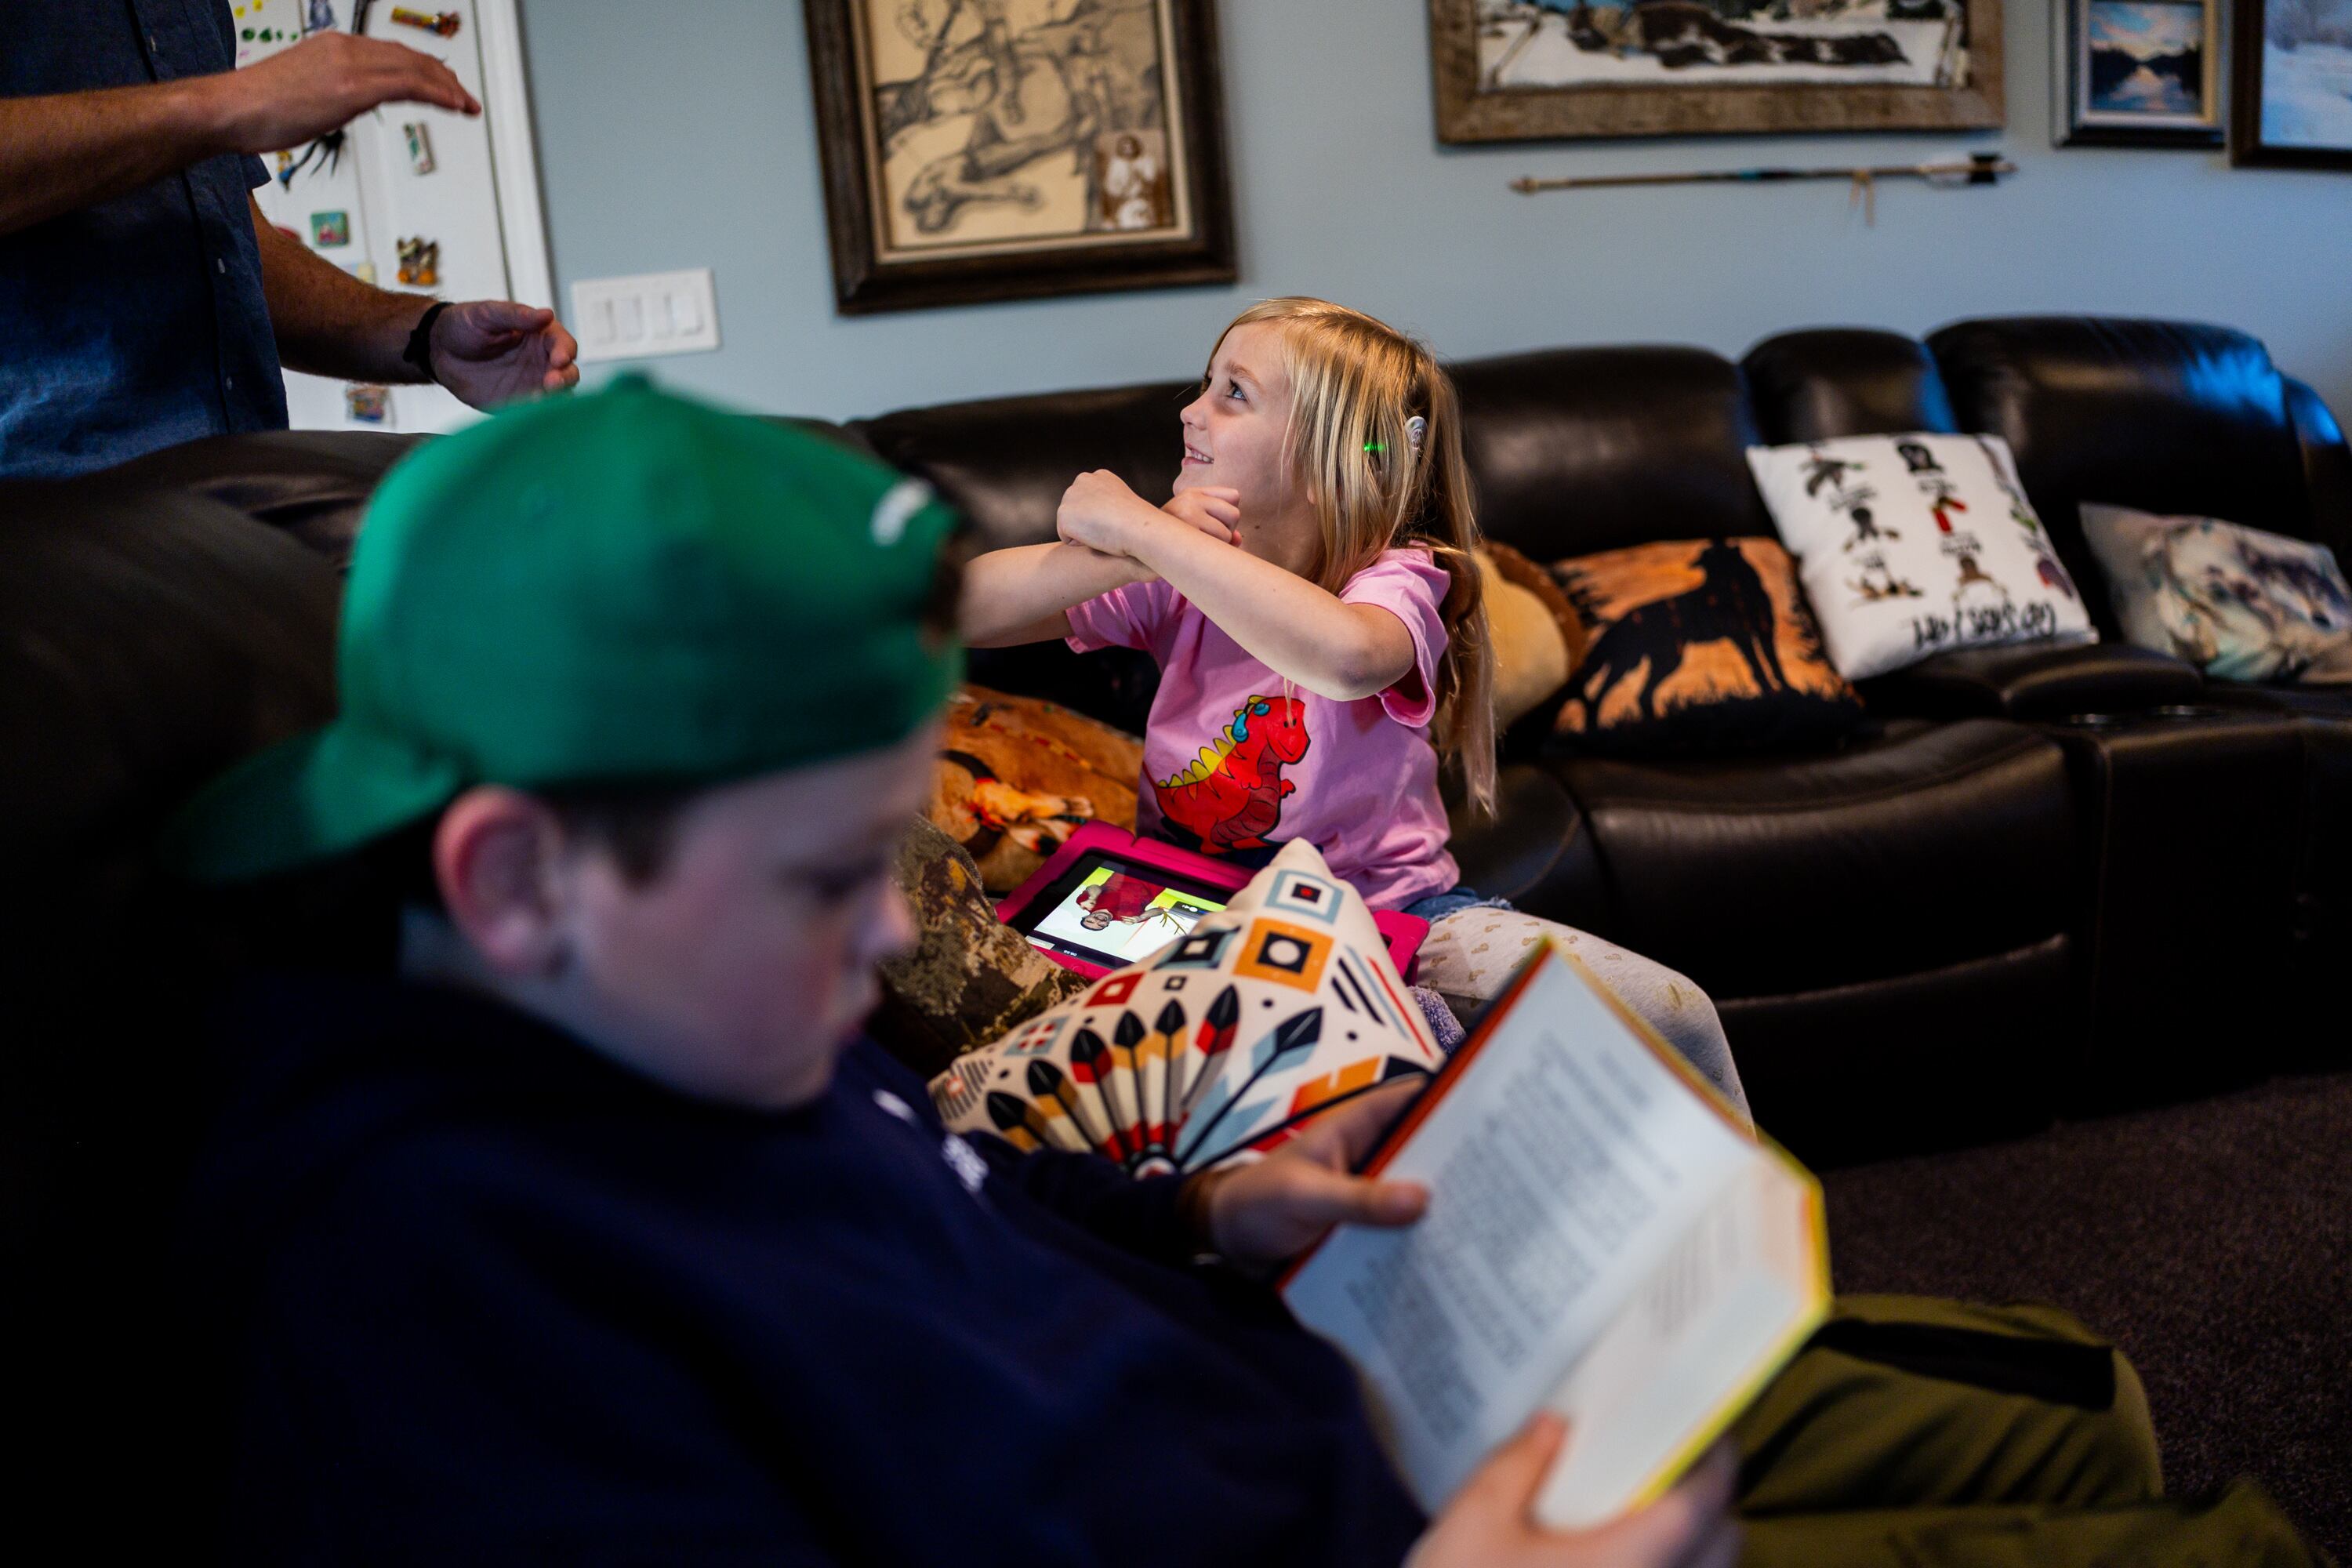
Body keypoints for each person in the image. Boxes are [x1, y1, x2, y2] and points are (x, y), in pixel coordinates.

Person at [164, 377, 2321, 1567]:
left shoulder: (661, 1018)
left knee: (2058, 1394)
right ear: (518, 873)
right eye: (837, 875)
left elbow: (951, 1210)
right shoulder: (440, 1299)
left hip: (1328, 1394)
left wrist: (1202, 1209)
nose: (900, 932)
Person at [958, 298, 1746, 1112]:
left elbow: (1344, 657)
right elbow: (959, 608)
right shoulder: (1173, 576)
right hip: (1197, 912)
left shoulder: (1399, 578)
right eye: (1206, 382)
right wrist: (1117, 555)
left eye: (1235, 392)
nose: (1191, 409)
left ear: (1326, 453)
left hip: (1395, 919)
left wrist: (1147, 534)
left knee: (1664, 1012)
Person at [1, 10, 578, 479]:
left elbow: (231, 249)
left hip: (237, 484)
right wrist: (227, 103)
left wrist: (426, 336)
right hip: (47, 523)